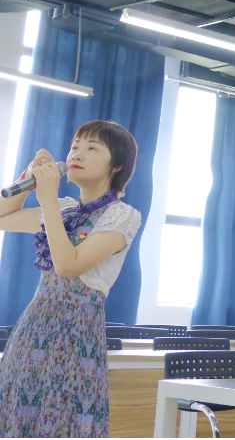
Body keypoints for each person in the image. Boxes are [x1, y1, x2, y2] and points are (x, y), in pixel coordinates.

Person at [0, 121, 143, 437]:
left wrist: (48, 200)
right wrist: (27, 180)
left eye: (92, 148)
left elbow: (68, 265)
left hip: (76, 338)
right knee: (16, 419)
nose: (77, 153)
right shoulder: (64, 208)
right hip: (31, 333)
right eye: (75, 146)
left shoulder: (122, 215)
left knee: (64, 422)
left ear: (116, 165)